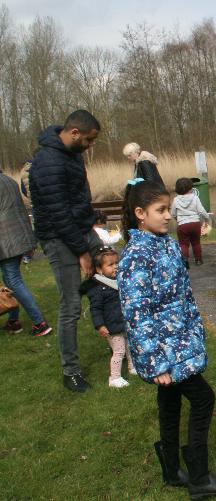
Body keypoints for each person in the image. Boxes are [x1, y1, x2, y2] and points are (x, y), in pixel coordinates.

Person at [117, 179, 216, 498]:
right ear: (140, 213)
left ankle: (172, 470)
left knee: (169, 402)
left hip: (182, 340)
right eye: (160, 210)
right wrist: (156, 362)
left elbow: (184, 294)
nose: (167, 216)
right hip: (164, 349)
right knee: (203, 398)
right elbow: (137, 314)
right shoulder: (135, 256)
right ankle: (199, 478)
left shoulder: (168, 245)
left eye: (168, 209)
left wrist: (195, 329)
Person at [29, 109, 103, 392]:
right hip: (59, 239)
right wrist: (82, 252)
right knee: (70, 305)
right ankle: (71, 372)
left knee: (113, 275)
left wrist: (92, 219)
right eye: (89, 140)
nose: (90, 146)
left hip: (82, 230)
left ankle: (121, 340)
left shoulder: (73, 154)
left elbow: (77, 197)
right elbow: (58, 214)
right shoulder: (46, 162)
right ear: (74, 133)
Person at [0, 169, 52, 337]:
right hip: (18, 237)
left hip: (6, 241)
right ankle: (13, 321)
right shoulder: (9, 180)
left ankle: (40, 323)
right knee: (10, 280)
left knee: (13, 280)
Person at [80, 246, 135, 388]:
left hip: (123, 322)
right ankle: (114, 378)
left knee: (130, 347)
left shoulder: (118, 281)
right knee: (119, 352)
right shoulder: (98, 288)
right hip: (112, 326)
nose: (115, 266)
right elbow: (95, 309)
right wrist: (100, 325)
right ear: (99, 269)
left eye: (117, 263)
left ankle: (132, 367)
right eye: (110, 264)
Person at [171, 177, 210, 268]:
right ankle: (198, 260)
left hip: (182, 225)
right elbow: (201, 211)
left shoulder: (175, 200)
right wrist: (206, 218)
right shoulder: (195, 198)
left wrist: (178, 219)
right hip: (195, 224)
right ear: (190, 188)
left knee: (183, 244)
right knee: (196, 243)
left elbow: (173, 214)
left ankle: (185, 260)